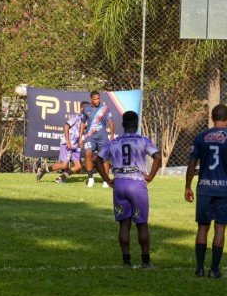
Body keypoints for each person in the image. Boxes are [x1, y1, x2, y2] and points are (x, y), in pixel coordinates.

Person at [185, 104, 227, 279]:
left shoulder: (200, 137)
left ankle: (199, 269)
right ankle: (214, 270)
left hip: (204, 188)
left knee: (202, 227)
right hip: (225, 190)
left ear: (212, 118)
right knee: (220, 228)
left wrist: (188, 186)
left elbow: (192, 164)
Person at [95, 111, 162, 269]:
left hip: (119, 184)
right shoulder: (143, 140)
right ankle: (146, 262)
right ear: (137, 124)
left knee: (124, 225)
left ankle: (126, 262)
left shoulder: (113, 142)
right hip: (137, 184)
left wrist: (107, 179)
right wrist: (151, 176)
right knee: (141, 224)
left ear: (123, 124)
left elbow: (97, 160)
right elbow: (158, 157)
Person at [36, 101, 88, 184]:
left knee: (78, 165)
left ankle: (60, 178)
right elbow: (66, 126)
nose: (89, 110)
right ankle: (43, 170)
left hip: (76, 145)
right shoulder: (77, 117)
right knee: (64, 165)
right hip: (67, 143)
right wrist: (68, 141)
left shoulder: (87, 120)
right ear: (82, 109)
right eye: (87, 108)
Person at [79, 91, 115, 188]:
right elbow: (82, 123)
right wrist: (80, 137)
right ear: (91, 99)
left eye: (98, 98)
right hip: (90, 136)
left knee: (104, 158)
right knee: (88, 154)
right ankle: (90, 179)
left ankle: (106, 180)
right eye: (95, 99)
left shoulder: (104, 108)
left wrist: (112, 135)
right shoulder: (86, 109)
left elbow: (110, 122)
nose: (97, 100)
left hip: (102, 137)